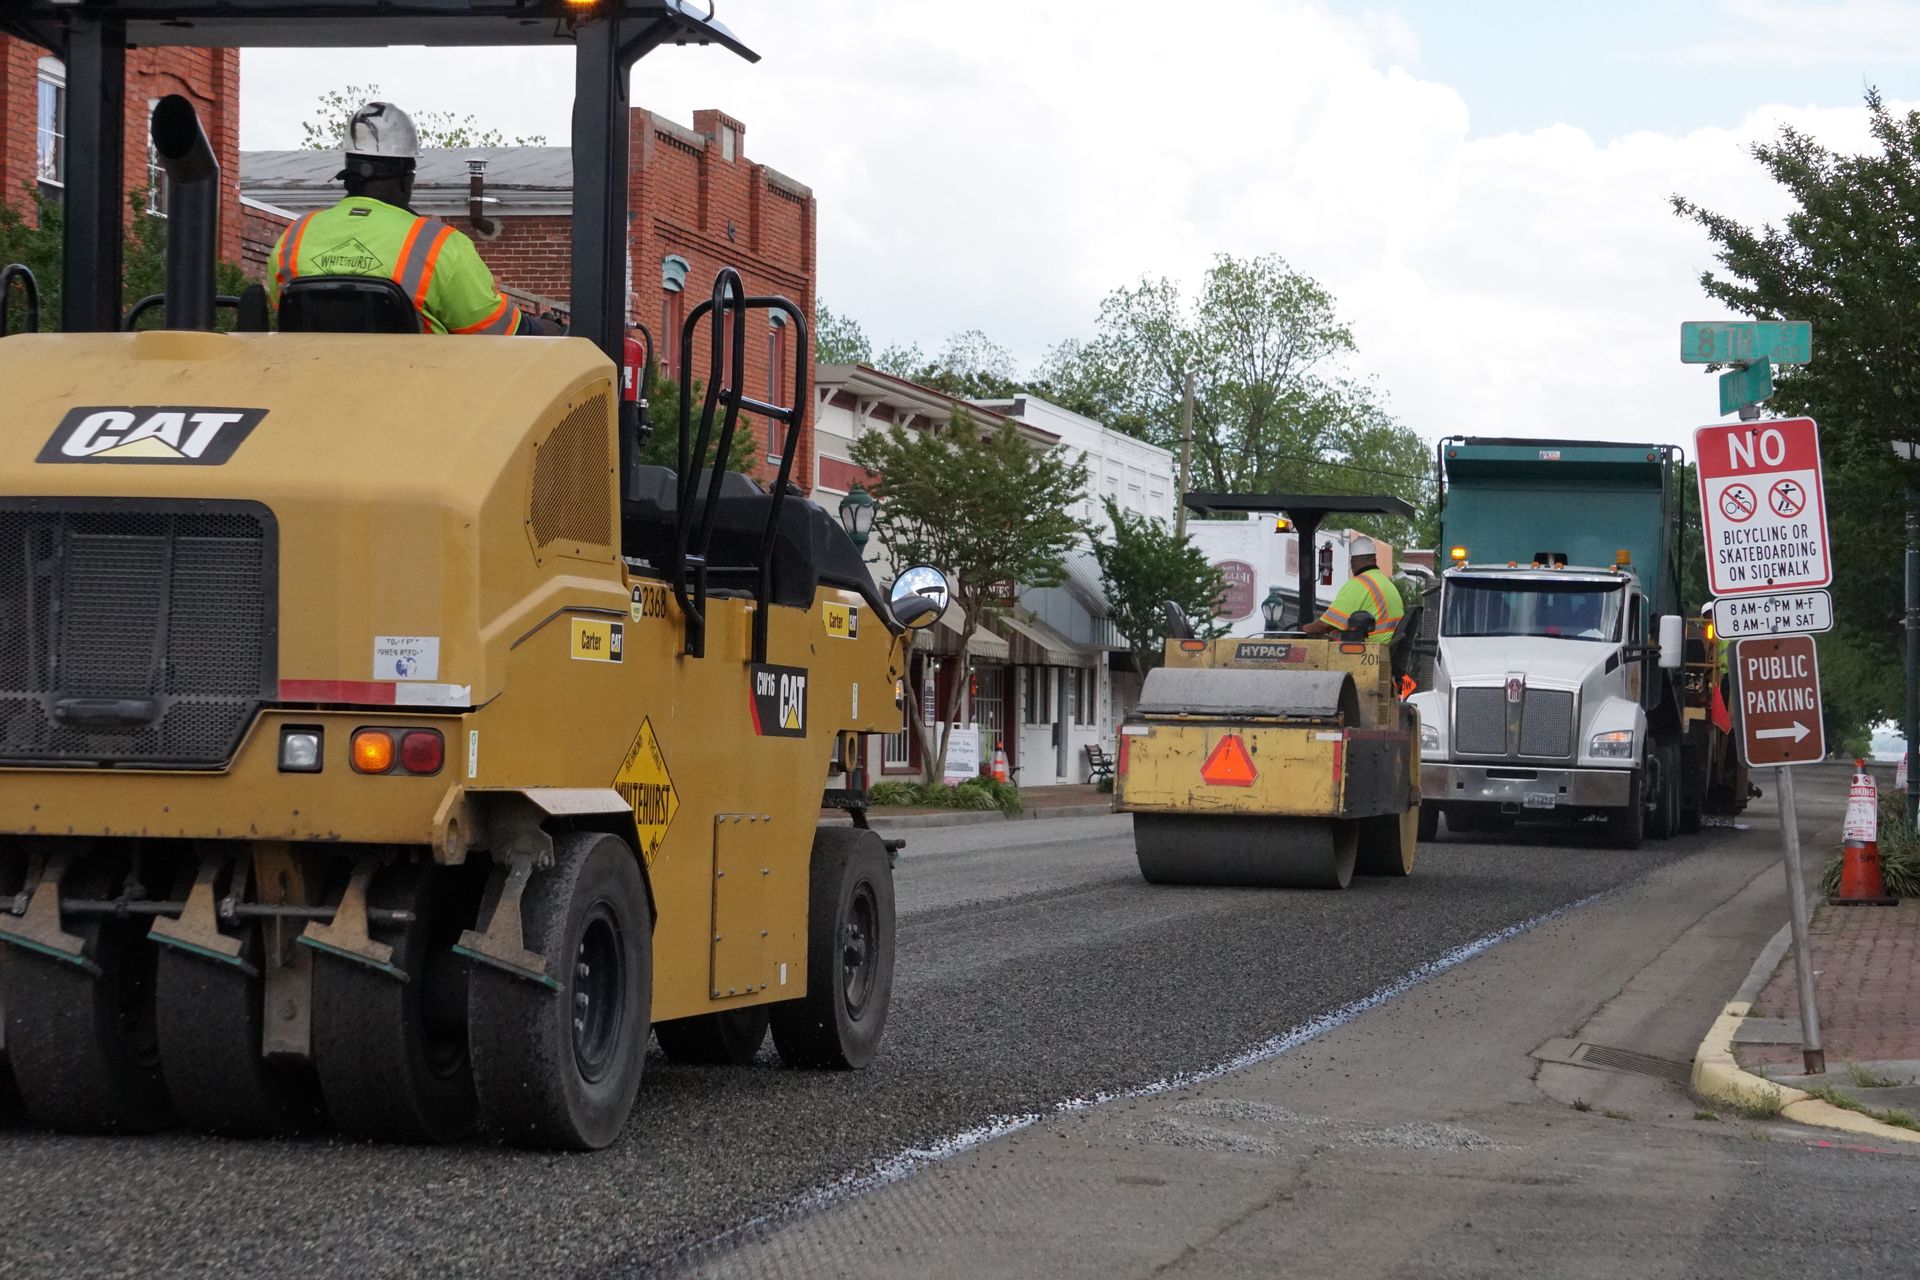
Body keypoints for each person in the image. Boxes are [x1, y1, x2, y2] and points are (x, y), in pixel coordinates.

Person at [266, 102, 542, 336]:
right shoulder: (439, 245)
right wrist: (548, 328)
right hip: (419, 396)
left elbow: (286, 313)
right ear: (407, 180)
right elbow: (496, 331)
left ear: (348, 173)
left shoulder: (295, 236)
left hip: (315, 394)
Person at [1300, 535, 1404, 643]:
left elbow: (1326, 625)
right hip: (1389, 649)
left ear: (1352, 562)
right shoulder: (1386, 582)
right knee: (1336, 635)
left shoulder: (1359, 584)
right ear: (1374, 560)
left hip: (1372, 648)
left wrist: (1303, 630)